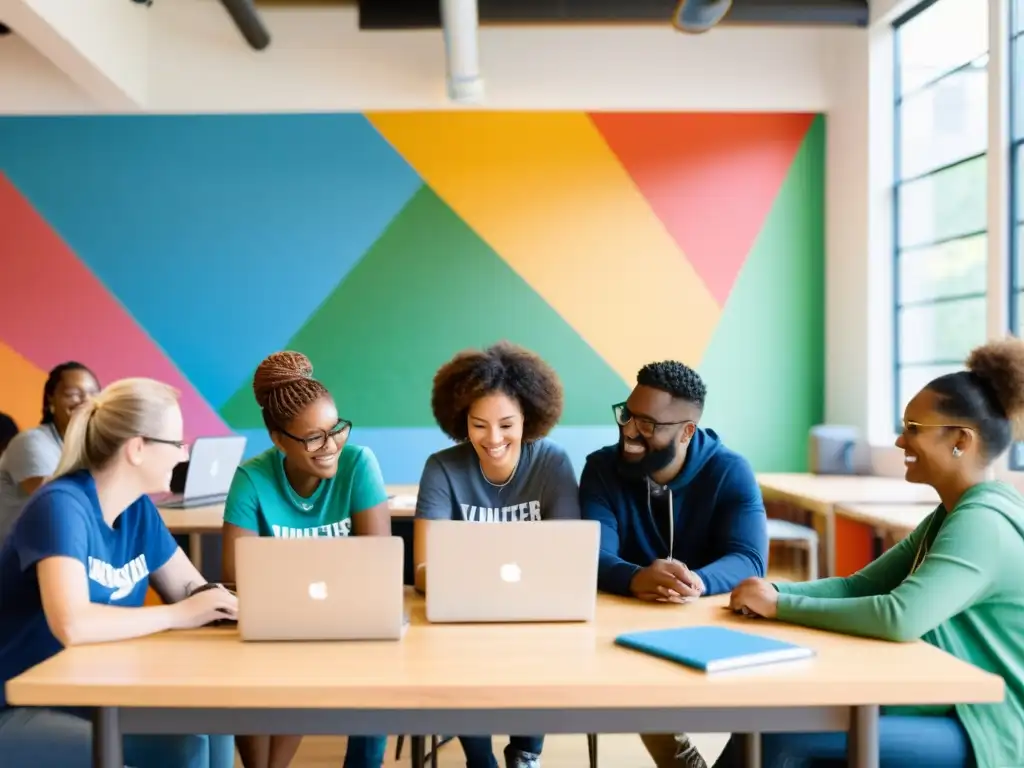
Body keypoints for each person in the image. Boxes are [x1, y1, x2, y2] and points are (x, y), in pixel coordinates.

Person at [723, 337, 1024, 768]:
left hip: (987, 726)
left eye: (914, 429)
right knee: (771, 714)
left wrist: (780, 606)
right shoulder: (954, 513)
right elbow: (859, 585)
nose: (901, 442)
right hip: (946, 703)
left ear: (961, 439)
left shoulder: (983, 522)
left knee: (781, 736)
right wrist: (773, 591)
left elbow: (900, 617)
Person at [0, 377, 239, 768]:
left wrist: (240, 608)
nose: (182, 457)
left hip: (85, 692)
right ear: (137, 449)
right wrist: (180, 615)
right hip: (17, 701)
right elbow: (72, 624)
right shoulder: (60, 506)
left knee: (204, 732)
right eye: (177, 444)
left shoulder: (137, 510)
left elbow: (189, 588)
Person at [579, 360, 768, 768]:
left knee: (769, 693)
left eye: (647, 424)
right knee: (631, 672)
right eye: (626, 414)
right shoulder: (601, 468)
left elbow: (749, 558)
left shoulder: (729, 470)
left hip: (710, 620)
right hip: (629, 623)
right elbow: (591, 553)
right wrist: (634, 578)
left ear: (686, 432)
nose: (628, 430)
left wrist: (694, 581)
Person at [221, 351, 391, 768]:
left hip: (345, 620)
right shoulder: (251, 479)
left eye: (336, 430)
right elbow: (235, 579)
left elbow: (379, 565)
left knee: (306, 665)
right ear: (278, 438)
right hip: (275, 624)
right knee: (264, 666)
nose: (330, 446)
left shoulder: (359, 463)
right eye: (314, 437)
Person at [414, 341, 581, 768]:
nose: (493, 439)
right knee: (457, 652)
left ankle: (526, 753)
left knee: (542, 647)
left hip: (535, 618)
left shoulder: (553, 463)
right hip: (463, 622)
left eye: (507, 424)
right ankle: (479, 759)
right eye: (478, 424)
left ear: (529, 416)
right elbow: (422, 571)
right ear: (460, 422)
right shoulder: (442, 468)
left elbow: (569, 563)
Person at [0, 362, 100, 542]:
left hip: (65, 545)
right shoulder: (31, 442)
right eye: (73, 394)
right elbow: (58, 502)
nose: (86, 400)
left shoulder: (91, 446)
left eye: (93, 394)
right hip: (20, 559)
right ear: (51, 400)